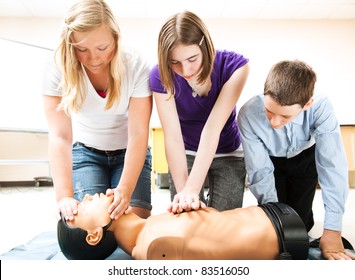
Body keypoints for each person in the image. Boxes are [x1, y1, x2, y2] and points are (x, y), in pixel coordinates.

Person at [42, 0, 152, 221]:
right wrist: (64, 196)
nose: (94, 59)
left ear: (115, 38)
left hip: (127, 152)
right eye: (82, 49)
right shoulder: (57, 68)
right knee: (88, 220)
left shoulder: (136, 64)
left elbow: (139, 133)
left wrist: (125, 189)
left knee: (131, 220)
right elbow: (60, 136)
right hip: (86, 154)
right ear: (71, 45)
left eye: (102, 48)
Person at [237, 59, 350, 260]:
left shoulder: (321, 107)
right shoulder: (248, 113)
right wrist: (275, 222)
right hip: (271, 160)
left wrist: (333, 230)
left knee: (301, 224)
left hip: (305, 158)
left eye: (285, 116)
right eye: (269, 111)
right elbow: (259, 170)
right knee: (280, 226)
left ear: (307, 105)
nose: (274, 122)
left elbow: (332, 166)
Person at [149, 11, 249, 214]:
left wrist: (194, 189)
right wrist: (186, 192)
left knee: (222, 223)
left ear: (205, 46)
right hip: (186, 152)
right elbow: (173, 137)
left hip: (228, 151)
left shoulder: (235, 67)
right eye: (174, 62)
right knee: (187, 217)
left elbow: (212, 129)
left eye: (192, 58)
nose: (185, 70)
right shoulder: (160, 75)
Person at [57, 193, 315, 260]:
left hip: (273, 214)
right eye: (81, 207)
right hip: (284, 233)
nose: (88, 197)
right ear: (94, 236)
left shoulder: (151, 227)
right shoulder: (155, 250)